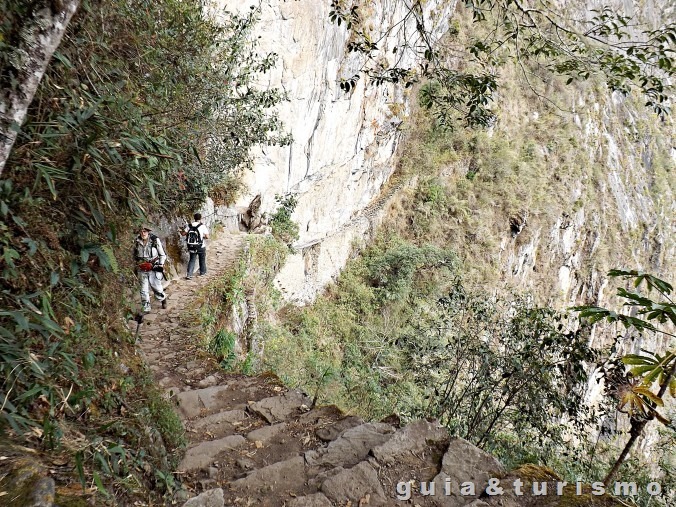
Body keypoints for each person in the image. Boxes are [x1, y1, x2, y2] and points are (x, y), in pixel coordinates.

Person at [133, 225, 167, 313]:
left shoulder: (155, 240)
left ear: (148, 231)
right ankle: (146, 308)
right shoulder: (136, 241)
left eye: (144, 231)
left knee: (157, 288)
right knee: (143, 290)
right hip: (141, 267)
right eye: (141, 231)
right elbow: (134, 255)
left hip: (153, 267)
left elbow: (162, 255)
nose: (143, 233)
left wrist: (161, 264)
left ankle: (163, 298)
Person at [181, 213, 209, 279]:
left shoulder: (189, 226)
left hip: (192, 246)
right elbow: (207, 236)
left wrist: (180, 230)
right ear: (200, 218)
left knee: (192, 260)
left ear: (194, 218)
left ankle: (189, 274)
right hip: (200, 246)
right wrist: (202, 236)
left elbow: (183, 234)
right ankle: (202, 272)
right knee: (202, 259)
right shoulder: (202, 226)